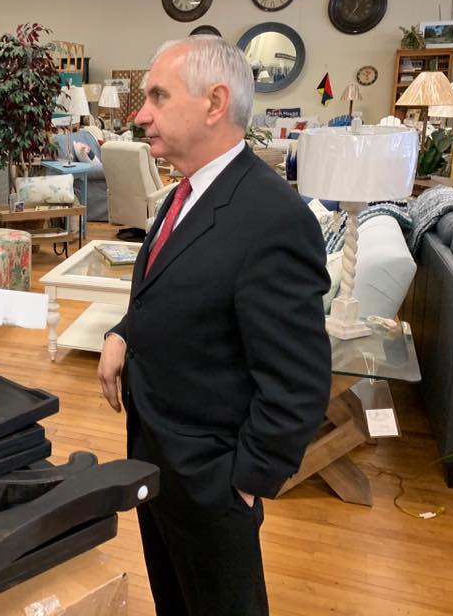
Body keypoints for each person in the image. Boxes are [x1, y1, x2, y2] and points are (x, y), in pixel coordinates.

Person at [97, 37, 331, 616]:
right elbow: (177, 290)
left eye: (157, 96)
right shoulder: (186, 193)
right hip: (156, 456)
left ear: (214, 102)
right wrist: (124, 331)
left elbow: (298, 381)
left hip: (212, 480)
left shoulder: (272, 217)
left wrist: (244, 483)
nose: (140, 114)